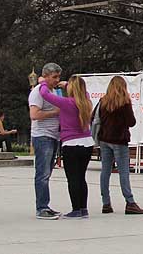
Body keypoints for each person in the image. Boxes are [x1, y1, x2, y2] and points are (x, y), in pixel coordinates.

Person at [40, 75, 94, 219]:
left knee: (73, 178)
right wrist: (69, 85)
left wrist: (43, 82)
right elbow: (85, 93)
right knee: (81, 177)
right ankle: (83, 208)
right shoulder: (86, 102)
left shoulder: (66, 103)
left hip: (71, 143)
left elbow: (45, 94)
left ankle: (76, 209)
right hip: (87, 142)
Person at [92, 76, 143, 215]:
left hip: (104, 139)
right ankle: (130, 202)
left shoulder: (103, 101)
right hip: (120, 140)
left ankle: (106, 203)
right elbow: (131, 122)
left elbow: (95, 118)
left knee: (105, 171)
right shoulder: (124, 102)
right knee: (123, 172)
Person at [29, 63, 63, 220]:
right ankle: (41, 207)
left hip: (53, 135)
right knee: (42, 173)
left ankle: (45, 205)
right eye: (54, 77)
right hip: (42, 136)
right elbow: (34, 114)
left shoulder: (53, 91)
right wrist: (55, 112)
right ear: (46, 76)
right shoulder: (38, 92)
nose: (57, 80)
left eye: (58, 77)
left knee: (47, 172)